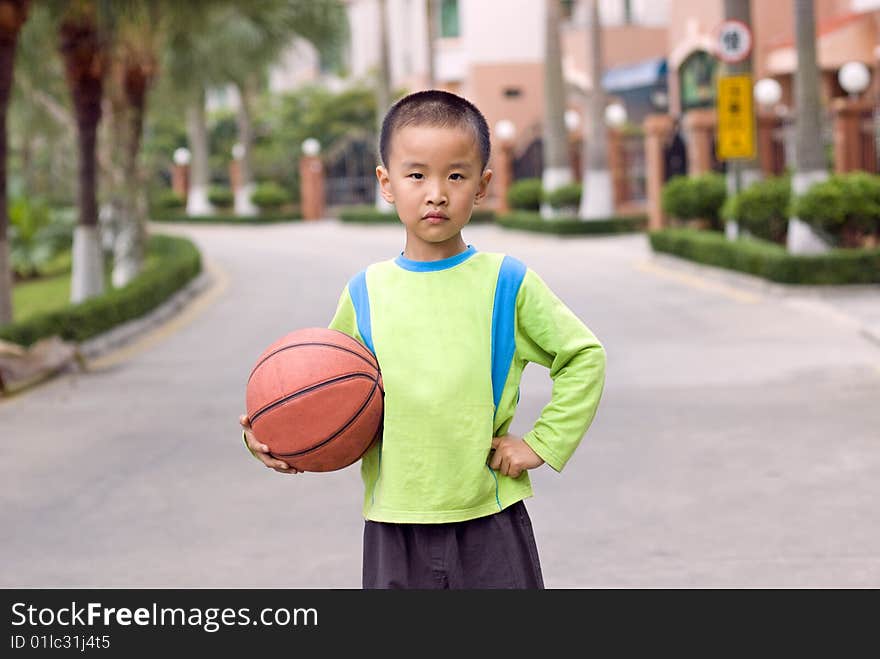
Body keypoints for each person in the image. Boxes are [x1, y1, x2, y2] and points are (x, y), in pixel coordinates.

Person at [241, 89, 606, 589]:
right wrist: (271, 435)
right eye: (417, 175)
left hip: (489, 515)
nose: (436, 192)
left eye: (455, 176)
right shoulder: (365, 291)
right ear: (386, 184)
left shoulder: (506, 283)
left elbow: (584, 355)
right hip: (394, 523)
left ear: (482, 186)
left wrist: (542, 443)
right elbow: (318, 392)